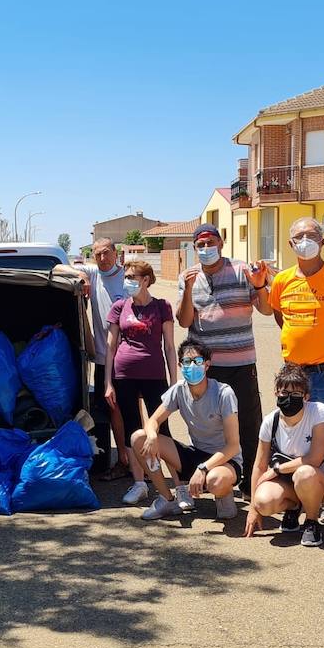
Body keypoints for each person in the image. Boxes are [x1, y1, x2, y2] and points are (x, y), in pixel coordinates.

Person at [268, 217, 324, 523]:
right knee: (293, 436)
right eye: (299, 236)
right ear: (290, 244)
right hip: (292, 373)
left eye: (311, 235)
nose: (305, 240)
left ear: (322, 242)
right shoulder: (281, 281)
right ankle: (301, 493)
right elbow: (280, 316)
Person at [176, 223, 272, 490]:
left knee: (248, 423)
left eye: (211, 243)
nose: (206, 249)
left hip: (241, 365)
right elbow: (184, 320)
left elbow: (266, 309)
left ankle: (251, 482)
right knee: (213, 423)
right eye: (201, 245)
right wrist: (187, 289)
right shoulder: (188, 276)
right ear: (194, 249)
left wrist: (260, 284)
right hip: (207, 369)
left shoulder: (242, 270)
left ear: (221, 243)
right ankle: (218, 475)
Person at [131, 340, 242, 521]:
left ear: (207, 365)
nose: (192, 366)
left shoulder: (224, 393)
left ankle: (223, 494)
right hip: (195, 453)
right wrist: (151, 435)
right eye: (187, 362)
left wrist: (203, 469)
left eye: (197, 361)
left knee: (216, 482)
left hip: (225, 460)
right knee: (139, 438)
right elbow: (153, 419)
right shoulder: (179, 390)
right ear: (180, 365)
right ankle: (167, 499)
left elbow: (233, 446)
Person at [244, 363, 324, 547]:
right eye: (284, 393)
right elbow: (259, 465)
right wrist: (253, 508)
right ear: (276, 393)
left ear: (306, 396)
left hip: (321, 480)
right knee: (263, 502)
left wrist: (278, 469)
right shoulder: (270, 421)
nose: (289, 399)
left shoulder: (319, 413)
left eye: (296, 394)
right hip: (288, 482)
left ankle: (312, 521)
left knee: (305, 473)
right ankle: (295, 507)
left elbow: (314, 459)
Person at [105, 260, 176, 505]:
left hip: (154, 375)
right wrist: (108, 382)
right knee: (133, 430)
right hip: (124, 375)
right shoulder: (119, 307)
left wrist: (174, 381)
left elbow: (169, 346)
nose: (128, 282)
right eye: (126, 277)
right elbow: (110, 346)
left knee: (161, 430)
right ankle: (139, 483)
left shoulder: (162, 306)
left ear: (146, 280)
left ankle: (178, 485)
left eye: (132, 277)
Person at [76, 237, 131, 479]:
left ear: (116, 253)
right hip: (102, 359)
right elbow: (58, 266)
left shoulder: (127, 277)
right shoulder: (94, 273)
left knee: (132, 409)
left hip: (128, 357)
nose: (102, 258)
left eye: (106, 253)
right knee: (113, 410)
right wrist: (85, 277)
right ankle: (123, 460)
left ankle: (140, 462)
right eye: (97, 254)